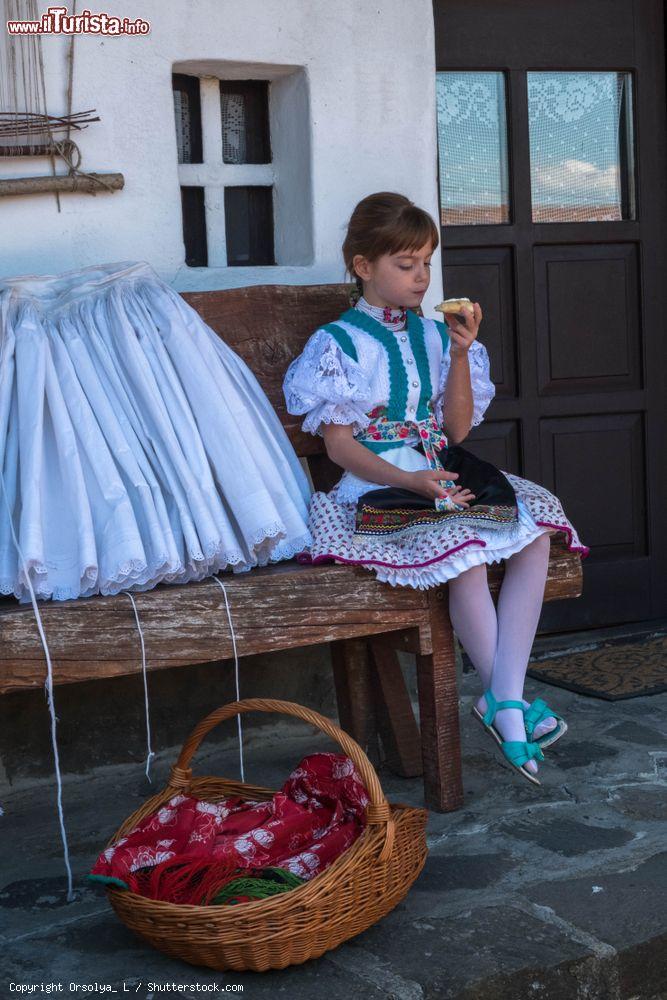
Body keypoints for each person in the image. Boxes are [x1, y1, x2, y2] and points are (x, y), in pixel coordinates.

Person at [283, 192, 590, 785]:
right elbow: (340, 446)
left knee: (535, 538)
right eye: (406, 265)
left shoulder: (433, 335)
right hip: (379, 485)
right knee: (469, 558)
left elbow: (454, 430)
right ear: (362, 265)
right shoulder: (340, 344)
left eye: (426, 262)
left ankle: (504, 699)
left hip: (440, 471)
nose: (421, 277)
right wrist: (409, 479)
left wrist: (458, 353)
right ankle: (509, 712)